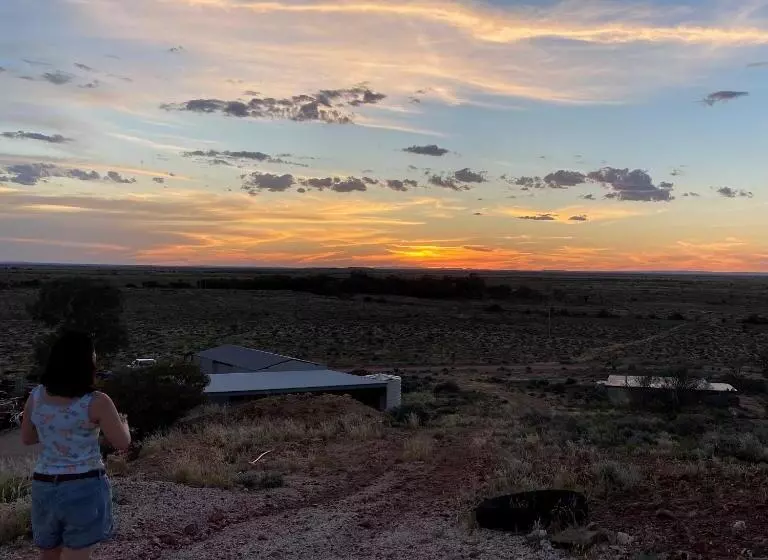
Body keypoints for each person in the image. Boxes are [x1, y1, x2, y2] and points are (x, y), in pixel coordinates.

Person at [21, 331, 131, 560]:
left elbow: (28, 438)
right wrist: (125, 424)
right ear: (85, 364)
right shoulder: (97, 401)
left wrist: (56, 432)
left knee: (49, 554)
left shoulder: (36, 396)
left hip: (44, 485)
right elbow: (121, 443)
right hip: (84, 485)